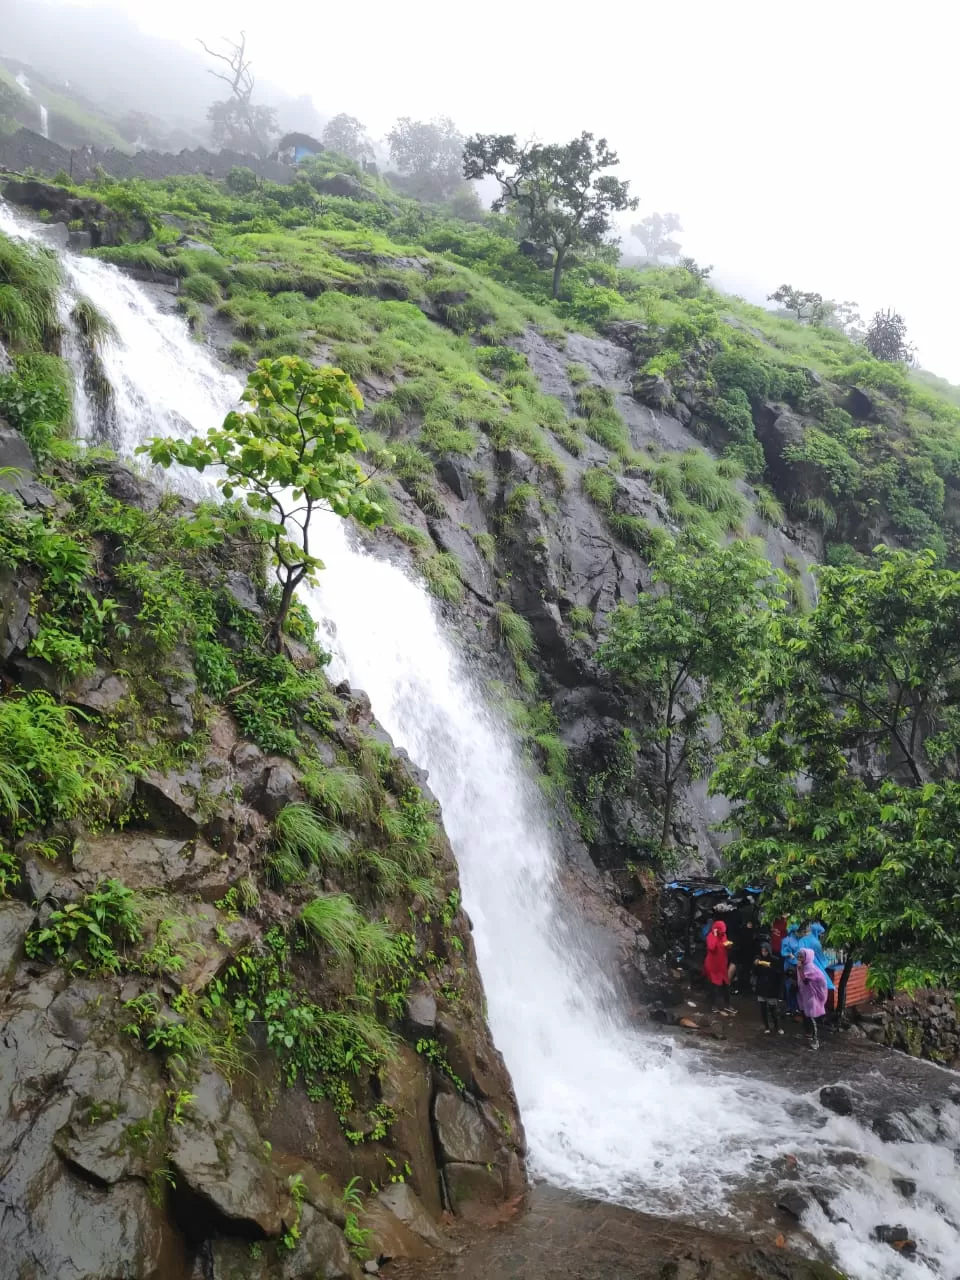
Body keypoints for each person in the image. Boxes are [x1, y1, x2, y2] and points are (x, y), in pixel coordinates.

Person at [797, 947, 828, 1050]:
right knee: (806, 1015)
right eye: (799, 956)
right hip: (805, 994)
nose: (800, 959)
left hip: (812, 995)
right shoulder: (804, 966)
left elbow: (805, 980)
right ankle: (808, 1034)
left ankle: (816, 1040)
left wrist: (800, 969)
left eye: (802, 957)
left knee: (811, 1017)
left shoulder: (810, 968)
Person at [752, 937, 784, 1034]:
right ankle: (766, 1026)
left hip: (771, 988)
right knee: (763, 1009)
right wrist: (756, 965)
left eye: (765, 951)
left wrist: (770, 967)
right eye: (762, 951)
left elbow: (779, 974)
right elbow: (755, 972)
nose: (764, 953)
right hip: (761, 987)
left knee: (773, 1009)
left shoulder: (775, 960)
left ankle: (777, 1026)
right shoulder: (759, 960)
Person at [703, 919, 735, 1014]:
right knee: (714, 985)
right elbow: (711, 947)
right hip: (712, 965)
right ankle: (713, 1005)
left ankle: (727, 1004)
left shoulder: (724, 935)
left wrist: (728, 945)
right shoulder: (711, 936)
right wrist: (716, 936)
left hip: (722, 965)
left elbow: (725, 945)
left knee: (726, 985)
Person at [798, 922, 835, 990]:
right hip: (814, 969)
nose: (821, 935)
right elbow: (822, 958)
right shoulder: (815, 942)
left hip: (802, 968)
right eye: (820, 933)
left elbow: (798, 954)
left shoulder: (802, 940)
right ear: (817, 932)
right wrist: (829, 960)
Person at [779, 922, 802, 1015]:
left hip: (798, 965)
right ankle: (790, 1007)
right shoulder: (786, 940)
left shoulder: (799, 940)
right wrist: (789, 954)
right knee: (790, 986)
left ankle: (796, 1007)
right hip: (790, 965)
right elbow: (784, 952)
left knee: (797, 987)